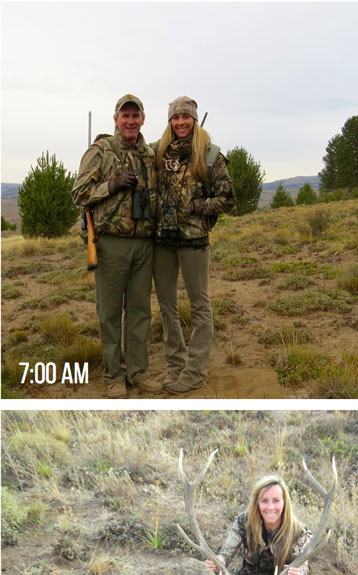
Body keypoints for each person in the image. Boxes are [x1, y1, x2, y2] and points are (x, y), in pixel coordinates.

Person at [72, 94, 162, 399]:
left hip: (144, 245)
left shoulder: (150, 154)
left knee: (139, 312)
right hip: (110, 245)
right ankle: (113, 376)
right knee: (109, 313)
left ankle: (138, 373)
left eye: (136, 116)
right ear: (115, 120)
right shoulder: (100, 151)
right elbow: (79, 194)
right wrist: (112, 185)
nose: (131, 121)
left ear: (143, 120)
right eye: (125, 116)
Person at [153, 96, 235, 393]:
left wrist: (196, 207)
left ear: (195, 119)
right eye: (176, 118)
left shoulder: (211, 154)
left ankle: (195, 372)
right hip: (162, 240)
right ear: (170, 121)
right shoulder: (159, 152)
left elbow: (228, 199)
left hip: (194, 241)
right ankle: (176, 366)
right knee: (167, 306)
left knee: (200, 307)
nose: (181, 122)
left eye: (186, 117)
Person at [206, 474, 313, 575]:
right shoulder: (244, 522)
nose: (270, 507)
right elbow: (226, 554)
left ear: (284, 503)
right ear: (257, 502)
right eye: (264, 501)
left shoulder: (300, 534)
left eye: (276, 500)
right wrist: (220, 561)